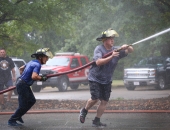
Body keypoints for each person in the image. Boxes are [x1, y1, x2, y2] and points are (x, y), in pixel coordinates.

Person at [79, 28, 134, 127]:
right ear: (104, 40)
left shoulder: (116, 50)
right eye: (110, 38)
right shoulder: (99, 49)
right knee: (95, 98)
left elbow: (130, 51)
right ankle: (84, 110)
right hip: (95, 78)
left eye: (113, 38)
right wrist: (112, 56)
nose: (112, 40)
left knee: (104, 101)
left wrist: (127, 46)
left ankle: (96, 121)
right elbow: (98, 62)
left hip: (107, 80)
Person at [8, 48, 53, 126]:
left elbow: (21, 68)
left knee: (31, 101)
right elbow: (34, 76)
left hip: (22, 83)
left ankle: (18, 116)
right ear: (40, 57)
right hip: (23, 85)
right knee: (24, 104)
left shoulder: (32, 62)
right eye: (46, 57)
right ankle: (12, 120)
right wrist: (42, 78)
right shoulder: (37, 64)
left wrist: (24, 75)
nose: (47, 59)